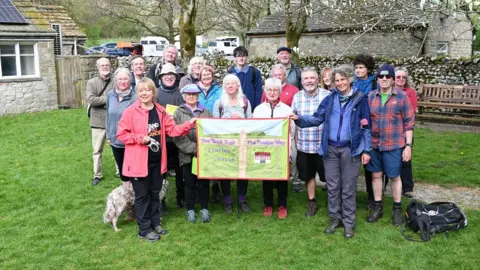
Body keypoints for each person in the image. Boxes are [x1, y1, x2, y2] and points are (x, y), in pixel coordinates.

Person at [291, 66, 372, 238]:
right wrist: (300, 120)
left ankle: (349, 223)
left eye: (343, 79)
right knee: (333, 187)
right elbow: (317, 118)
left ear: (350, 80)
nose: (340, 83)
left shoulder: (360, 98)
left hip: (351, 150)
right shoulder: (330, 98)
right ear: (333, 83)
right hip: (330, 149)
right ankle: (335, 218)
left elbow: (366, 126)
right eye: (337, 80)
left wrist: (366, 149)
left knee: (348, 188)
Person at [117, 77, 196, 242]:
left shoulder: (160, 111)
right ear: (138, 93)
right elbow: (121, 135)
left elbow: (173, 130)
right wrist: (140, 138)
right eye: (141, 91)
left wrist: (189, 124)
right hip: (139, 163)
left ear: (153, 92)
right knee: (142, 196)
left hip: (156, 161)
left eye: (147, 90)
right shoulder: (130, 111)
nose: (144, 93)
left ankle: (155, 223)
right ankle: (144, 229)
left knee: (155, 194)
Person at [366, 64, 414, 226]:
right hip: (374, 144)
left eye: (388, 77)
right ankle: (378, 207)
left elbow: (409, 123)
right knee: (376, 176)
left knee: (394, 176)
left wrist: (408, 146)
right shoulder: (371, 97)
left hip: (394, 144)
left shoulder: (401, 97)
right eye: (381, 77)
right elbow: (365, 122)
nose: (384, 79)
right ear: (377, 79)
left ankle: (397, 209)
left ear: (393, 79)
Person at [253, 78, 295, 219]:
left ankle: (283, 205)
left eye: (275, 90)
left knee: (282, 178)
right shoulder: (258, 110)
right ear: (265, 91)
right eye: (269, 90)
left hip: (281, 150)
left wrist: (288, 151)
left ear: (280, 92)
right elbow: (255, 131)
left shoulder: (287, 110)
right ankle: (268, 204)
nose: (272, 92)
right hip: (263, 149)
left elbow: (291, 131)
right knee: (266, 177)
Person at [290, 67, 330, 214]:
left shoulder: (327, 95)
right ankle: (312, 201)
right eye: (306, 78)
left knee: (329, 177)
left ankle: (334, 202)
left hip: (323, 146)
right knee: (308, 176)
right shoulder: (297, 97)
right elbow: (292, 117)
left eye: (312, 78)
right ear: (302, 81)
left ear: (318, 80)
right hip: (304, 145)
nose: (309, 81)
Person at [212, 74, 253, 213]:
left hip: (241, 143)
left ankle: (242, 200)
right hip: (225, 143)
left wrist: (240, 120)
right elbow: (214, 124)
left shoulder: (245, 101)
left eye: (233, 83)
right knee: (226, 172)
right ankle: (228, 201)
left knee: (242, 171)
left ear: (238, 85)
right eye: (227, 83)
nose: (230, 86)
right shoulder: (220, 103)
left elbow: (251, 121)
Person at [173, 84, 213, 223]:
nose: (191, 97)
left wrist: (204, 148)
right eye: (188, 94)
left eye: (194, 94)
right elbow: (177, 135)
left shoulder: (206, 112)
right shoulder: (179, 113)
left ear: (198, 96)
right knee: (189, 182)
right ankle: (190, 209)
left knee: (203, 182)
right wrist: (194, 148)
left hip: (204, 155)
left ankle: (204, 207)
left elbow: (212, 132)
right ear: (184, 96)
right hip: (187, 155)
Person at [105, 67, 137, 220]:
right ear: (116, 81)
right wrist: (109, 134)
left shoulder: (134, 96)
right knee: (124, 175)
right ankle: (128, 204)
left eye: (125, 79)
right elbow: (108, 116)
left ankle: (136, 206)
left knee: (134, 174)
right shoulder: (110, 95)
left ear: (129, 80)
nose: (123, 82)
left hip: (130, 142)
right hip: (115, 142)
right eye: (120, 79)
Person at [155, 63, 185, 210]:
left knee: (180, 171)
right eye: (166, 75)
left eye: (172, 75)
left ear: (176, 77)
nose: (169, 77)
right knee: (161, 172)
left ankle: (181, 198)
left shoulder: (181, 94)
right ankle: (161, 200)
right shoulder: (155, 94)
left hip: (178, 139)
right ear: (161, 77)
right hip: (161, 139)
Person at [352, 54, 377, 210]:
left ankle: (372, 197)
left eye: (361, 67)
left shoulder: (375, 83)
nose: (358, 70)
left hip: (371, 126)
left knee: (371, 165)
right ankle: (349, 196)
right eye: (356, 68)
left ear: (368, 69)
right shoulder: (352, 84)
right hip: (354, 127)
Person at [195, 65, 222, 203]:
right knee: (201, 158)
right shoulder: (194, 90)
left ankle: (215, 186)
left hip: (214, 128)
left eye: (209, 74)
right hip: (199, 127)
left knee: (214, 158)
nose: (206, 77)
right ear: (199, 76)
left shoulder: (219, 90)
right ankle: (201, 188)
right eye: (203, 75)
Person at [86, 57, 115, 186]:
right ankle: (97, 175)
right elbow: (91, 100)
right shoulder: (91, 83)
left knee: (118, 148)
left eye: (107, 65)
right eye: (102, 65)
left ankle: (120, 172)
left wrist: (101, 99)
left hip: (114, 120)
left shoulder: (115, 81)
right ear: (98, 68)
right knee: (97, 150)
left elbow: (120, 96)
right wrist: (109, 97)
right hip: (97, 121)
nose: (105, 67)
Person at [394, 66, 417, 198]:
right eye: (398, 77)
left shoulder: (410, 92)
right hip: (391, 129)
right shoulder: (387, 91)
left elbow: (410, 112)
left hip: (405, 129)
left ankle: (407, 187)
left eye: (403, 77)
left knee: (405, 158)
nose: (401, 79)